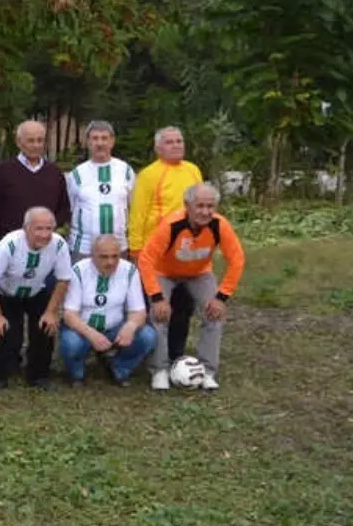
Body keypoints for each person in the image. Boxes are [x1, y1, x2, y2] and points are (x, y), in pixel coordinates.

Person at [139, 182, 246, 391]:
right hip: (165, 273)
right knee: (159, 315)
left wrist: (221, 297)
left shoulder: (219, 225)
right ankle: (159, 369)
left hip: (199, 273)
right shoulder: (171, 225)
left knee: (214, 314)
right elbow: (146, 260)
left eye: (210, 206)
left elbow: (237, 259)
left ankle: (207, 370)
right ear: (187, 205)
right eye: (200, 206)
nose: (205, 212)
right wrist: (157, 297)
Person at [128, 126, 204, 362]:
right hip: (159, 253)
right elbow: (138, 213)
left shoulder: (193, 171)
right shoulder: (149, 175)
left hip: (188, 252)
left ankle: (176, 354)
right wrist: (136, 248)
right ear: (158, 147)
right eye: (169, 142)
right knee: (159, 307)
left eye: (179, 141)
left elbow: (203, 207)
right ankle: (154, 355)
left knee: (184, 306)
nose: (176, 145)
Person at [0, 207, 72, 390]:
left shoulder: (59, 244)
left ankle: (39, 375)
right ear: (26, 228)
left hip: (36, 291)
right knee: (2, 331)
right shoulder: (9, 245)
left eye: (49, 229)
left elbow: (63, 279)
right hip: (6, 293)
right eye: (39, 229)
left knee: (45, 327)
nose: (45, 234)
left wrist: (51, 311)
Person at [60, 234, 156, 387]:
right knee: (71, 343)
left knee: (147, 336)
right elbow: (69, 315)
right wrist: (91, 334)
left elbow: (139, 312)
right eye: (103, 257)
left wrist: (130, 327)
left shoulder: (129, 270)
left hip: (114, 328)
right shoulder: (78, 270)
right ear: (92, 256)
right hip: (84, 329)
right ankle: (77, 373)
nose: (110, 262)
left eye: (115, 256)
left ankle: (119, 368)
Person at [0, 120, 71, 252]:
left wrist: (46, 230)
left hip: (46, 246)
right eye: (31, 141)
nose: (36, 145)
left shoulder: (54, 173)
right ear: (19, 142)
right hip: (11, 247)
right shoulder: (3, 172)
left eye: (40, 140)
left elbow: (63, 208)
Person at [66, 120, 136, 259]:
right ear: (88, 142)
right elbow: (71, 206)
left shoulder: (125, 171)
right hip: (83, 248)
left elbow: (132, 206)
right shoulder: (77, 174)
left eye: (104, 138)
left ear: (112, 141)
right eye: (95, 138)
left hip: (118, 246)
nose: (100, 143)